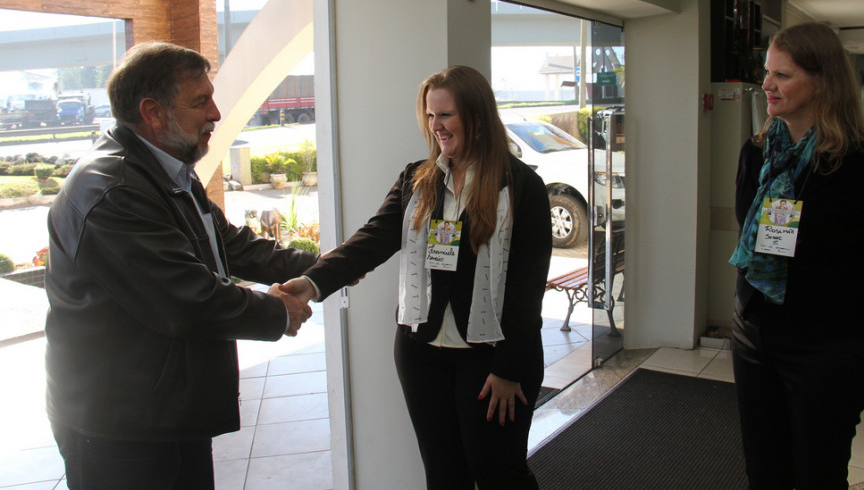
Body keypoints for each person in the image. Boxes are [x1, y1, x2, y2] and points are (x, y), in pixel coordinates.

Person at [45, 41, 318, 489]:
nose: (215, 113)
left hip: (165, 413)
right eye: (200, 102)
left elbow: (228, 245)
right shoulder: (114, 192)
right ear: (152, 112)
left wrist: (324, 265)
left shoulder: (165, 169)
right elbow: (186, 300)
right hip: (120, 429)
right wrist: (276, 311)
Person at [280, 65, 552, 489]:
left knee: (499, 472)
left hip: (492, 358)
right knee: (444, 474)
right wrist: (313, 283)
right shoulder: (417, 178)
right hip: (421, 351)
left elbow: (527, 285)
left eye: (446, 115)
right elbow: (371, 239)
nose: (435, 126)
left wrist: (510, 368)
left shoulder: (520, 185)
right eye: (430, 115)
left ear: (476, 117)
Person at [728, 22, 864, 489]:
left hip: (825, 349)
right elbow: (746, 228)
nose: (767, 84)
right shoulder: (758, 152)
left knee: (818, 474)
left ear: (824, 80)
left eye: (783, 75)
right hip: (755, 338)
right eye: (767, 72)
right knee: (764, 473)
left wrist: (841, 331)